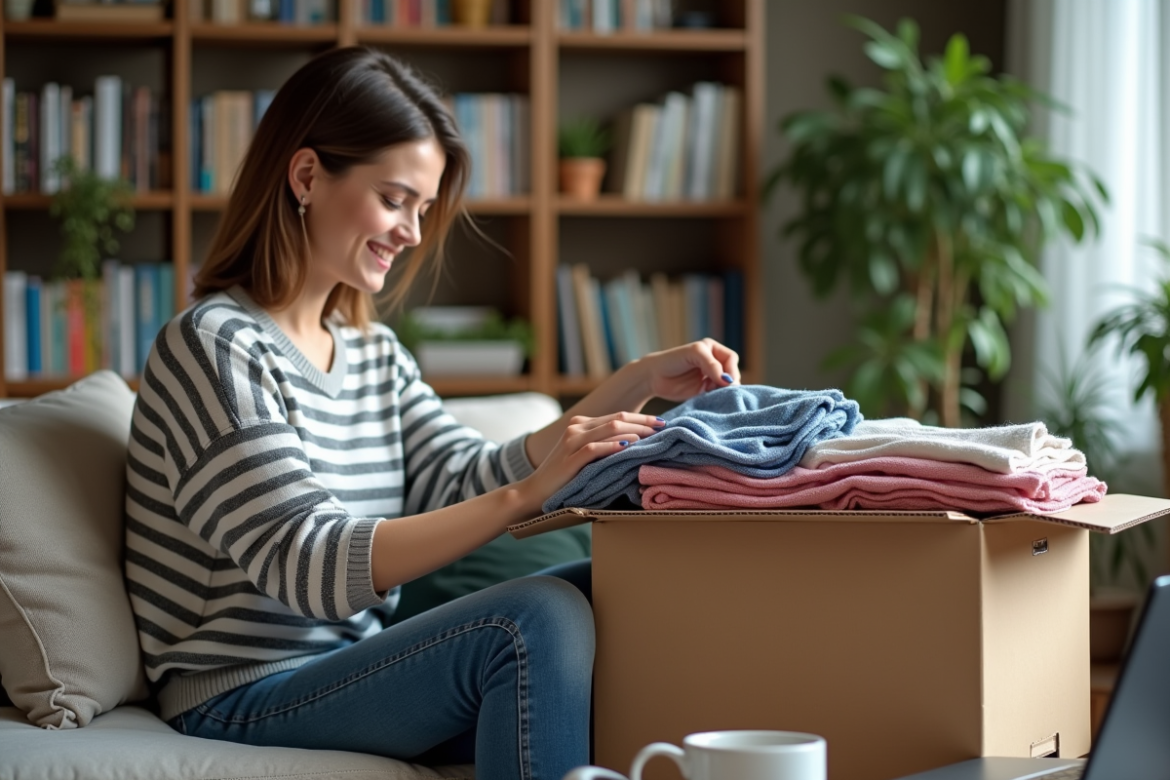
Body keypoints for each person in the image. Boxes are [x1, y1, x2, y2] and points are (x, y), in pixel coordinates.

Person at [124, 46, 741, 780]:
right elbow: (307, 563)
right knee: (534, 618)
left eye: (421, 209)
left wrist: (636, 382)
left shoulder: (371, 352)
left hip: (346, 666)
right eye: (394, 199)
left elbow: (462, 474)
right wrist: (529, 494)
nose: (413, 232)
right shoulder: (213, 346)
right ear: (306, 176)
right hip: (237, 694)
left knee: (616, 583)